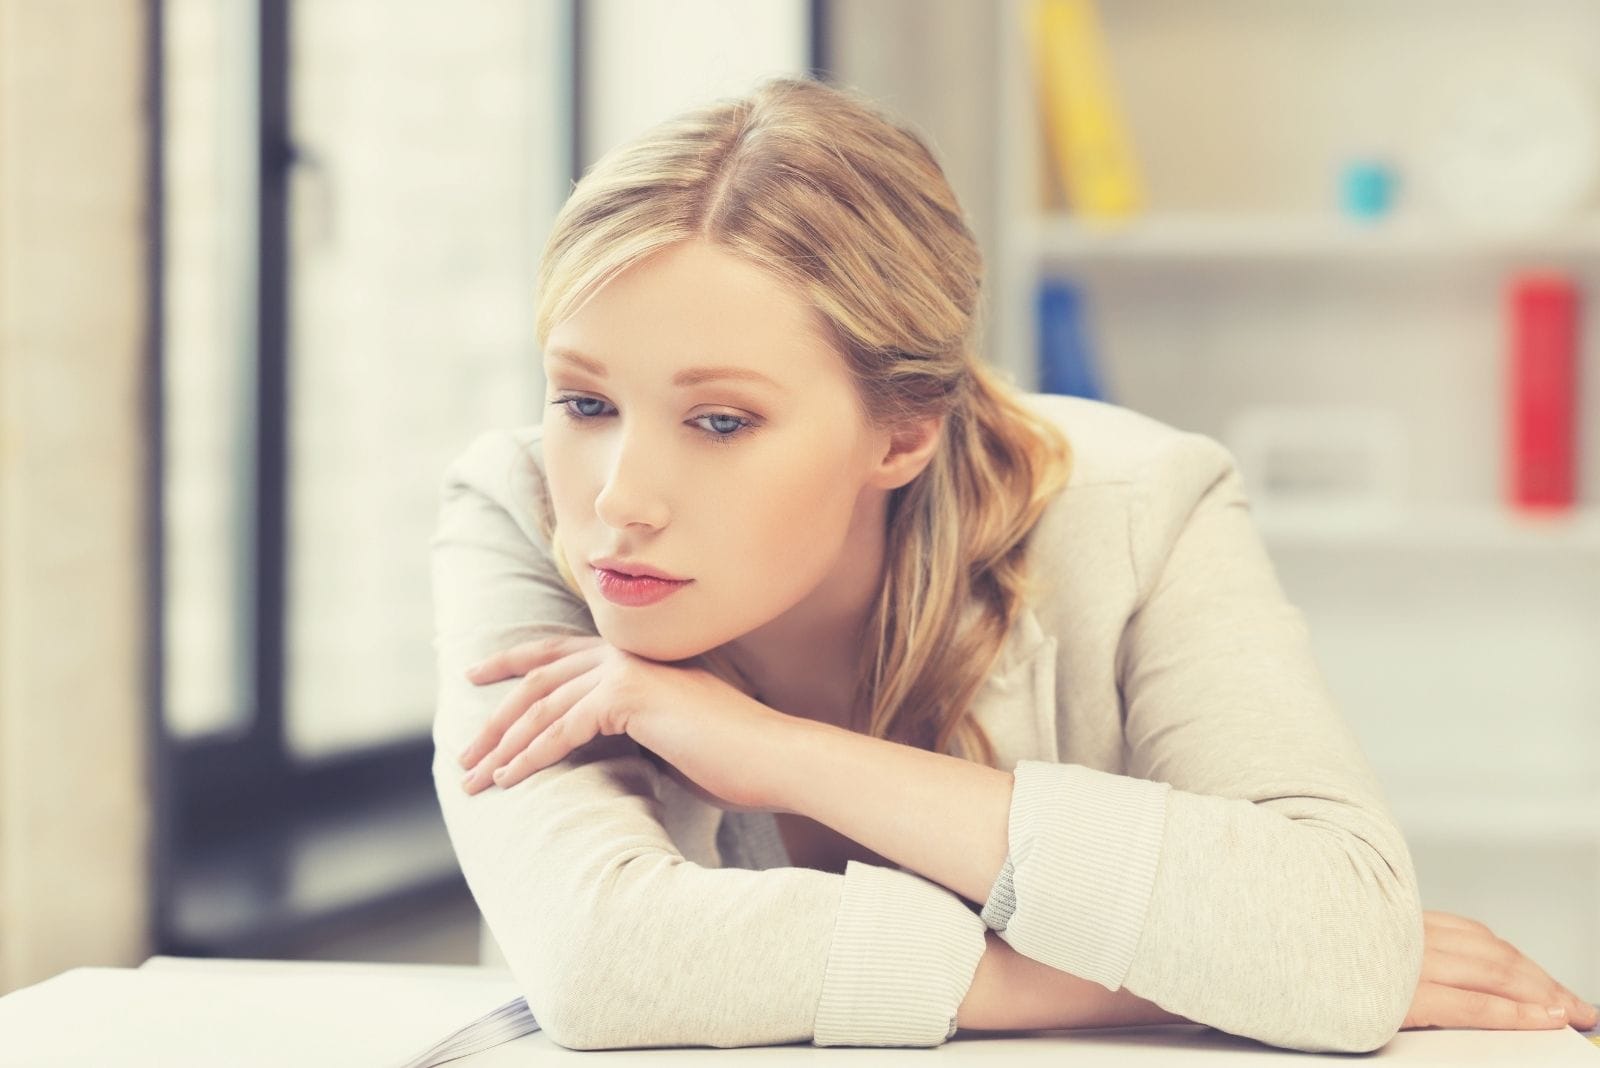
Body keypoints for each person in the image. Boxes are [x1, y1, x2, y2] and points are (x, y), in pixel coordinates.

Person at [431, 75, 1598, 1051]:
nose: (618, 500)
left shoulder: (1141, 505)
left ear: (902, 431)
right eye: (584, 398)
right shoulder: (519, 506)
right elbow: (603, 960)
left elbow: (1335, 936)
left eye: (721, 421)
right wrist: (1142, 975)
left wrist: (780, 756)